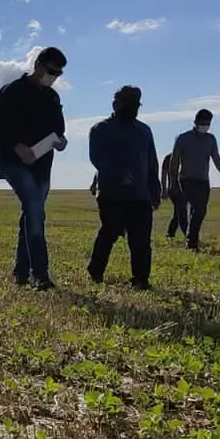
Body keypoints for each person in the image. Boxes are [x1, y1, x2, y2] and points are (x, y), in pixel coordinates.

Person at [0, 47, 68, 289]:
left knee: (32, 213)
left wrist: (60, 141)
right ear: (38, 65)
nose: (53, 77)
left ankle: (22, 272)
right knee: (34, 210)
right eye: (51, 71)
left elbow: (58, 130)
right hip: (14, 162)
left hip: (42, 163)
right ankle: (40, 273)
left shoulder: (52, 98)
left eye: (58, 74)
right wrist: (17, 145)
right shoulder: (12, 92)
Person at [87, 86, 161, 290]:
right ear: (115, 105)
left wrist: (155, 189)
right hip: (112, 194)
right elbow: (97, 158)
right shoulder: (100, 129)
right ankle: (95, 273)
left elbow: (151, 162)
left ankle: (141, 279)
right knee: (109, 233)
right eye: (128, 104)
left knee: (141, 241)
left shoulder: (144, 130)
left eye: (135, 105)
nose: (132, 109)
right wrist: (119, 174)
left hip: (140, 195)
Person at [167, 109, 220, 251]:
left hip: (203, 181)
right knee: (194, 210)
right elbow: (174, 161)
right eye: (202, 123)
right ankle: (191, 242)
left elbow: (216, 158)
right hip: (186, 180)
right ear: (195, 122)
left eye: (207, 123)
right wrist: (173, 182)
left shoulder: (211, 139)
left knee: (199, 211)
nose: (205, 126)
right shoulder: (183, 138)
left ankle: (191, 238)